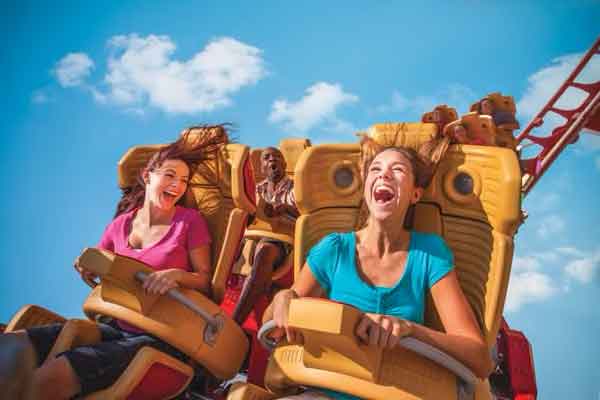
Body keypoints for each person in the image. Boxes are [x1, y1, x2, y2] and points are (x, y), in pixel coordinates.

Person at [1, 125, 229, 400]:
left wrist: (177, 275)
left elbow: (205, 280)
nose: (177, 185)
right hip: (116, 325)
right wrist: (87, 267)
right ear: (147, 176)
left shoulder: (189, 222)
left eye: (183, 180)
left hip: (163, 337)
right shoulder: (120, 225)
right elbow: (103, 263)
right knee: (11, 345)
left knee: (56, 374)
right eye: (170, 175)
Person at [263, 137, 493, 400]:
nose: (384, 173)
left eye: (398, 170)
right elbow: (272, 324)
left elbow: (479, 359)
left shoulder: (429, 253)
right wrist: (283, 298)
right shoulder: (334, 249)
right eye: (375, 169)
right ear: (366, 190)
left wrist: (409, 329)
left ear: (415, 194)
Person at [232, 147, 299, 325]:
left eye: (277, 156)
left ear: (284, 164)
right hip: (254, 237)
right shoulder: (255, 190)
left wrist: (286, 209)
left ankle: (234, 323)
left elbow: (308, 216)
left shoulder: (296, 187)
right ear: (261, 167)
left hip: (285, 240)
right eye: (267, 158)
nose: (272, 160)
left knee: (265, 250)